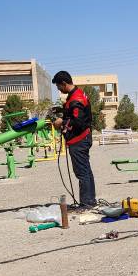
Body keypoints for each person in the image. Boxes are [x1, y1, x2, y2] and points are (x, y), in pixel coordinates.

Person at [51, 70, 96, 209]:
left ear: (64, 83)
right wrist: (62, 110)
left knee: (82, 172)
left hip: (79, 140)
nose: (58, 89)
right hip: (83, 138)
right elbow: (74, 113)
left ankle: (87, 203)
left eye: (59, 86)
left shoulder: (75, 99)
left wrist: (61, 123)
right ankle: (90, 200)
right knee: (86, 171)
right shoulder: (75, 94)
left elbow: (79, 122)